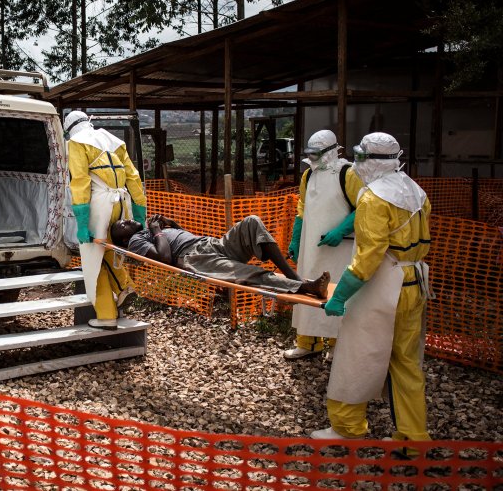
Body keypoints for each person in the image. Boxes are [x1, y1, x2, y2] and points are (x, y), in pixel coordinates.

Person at [311, 132, 432, 448]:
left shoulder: (373, 198)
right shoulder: (415, 191)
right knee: (406, 363)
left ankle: (348, 428)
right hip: (414, 284)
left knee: (357, 356)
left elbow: (368, 257)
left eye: (361, 157)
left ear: (372, 161)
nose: (357, 164)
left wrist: (340, 296)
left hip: (381, 287)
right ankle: (413, 437)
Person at [111, 214, 330, 299]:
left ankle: (294, 276)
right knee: (249, 273)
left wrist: (172, 225)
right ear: (122, 240)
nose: (126, 220)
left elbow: (180, 236)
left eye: (123, 219)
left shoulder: (147, 231)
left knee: (252, 222)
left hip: (211, 244)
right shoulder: (135, 241)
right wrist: (157, 229)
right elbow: (165, 258)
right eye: (121, 225)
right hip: (196, 258)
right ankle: (304, 288)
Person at [284, 130, 363, 362]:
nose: (314, 158)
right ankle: (307, 342)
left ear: (331, 151)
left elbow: (365, 206)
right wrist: (296, 238)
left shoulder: (348, 173)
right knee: (307, 288)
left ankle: (338, 345)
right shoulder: (308, 175)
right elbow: (302, 208)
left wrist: (342, 230)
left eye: (318, 153)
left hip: (340, 250)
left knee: (338, 292)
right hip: (311, 247)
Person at [65, 110, 147, 330]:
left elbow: (80, 182)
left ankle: (106, 315)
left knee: (93, 261)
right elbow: (134, 178)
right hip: (122, 202)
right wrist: (140, 216)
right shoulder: (114, 140)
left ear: (69, 129)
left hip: (99, 205)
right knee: (111, 250)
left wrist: (82, 223)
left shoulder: (76, 142)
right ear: (88, 122)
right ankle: (124, 287)